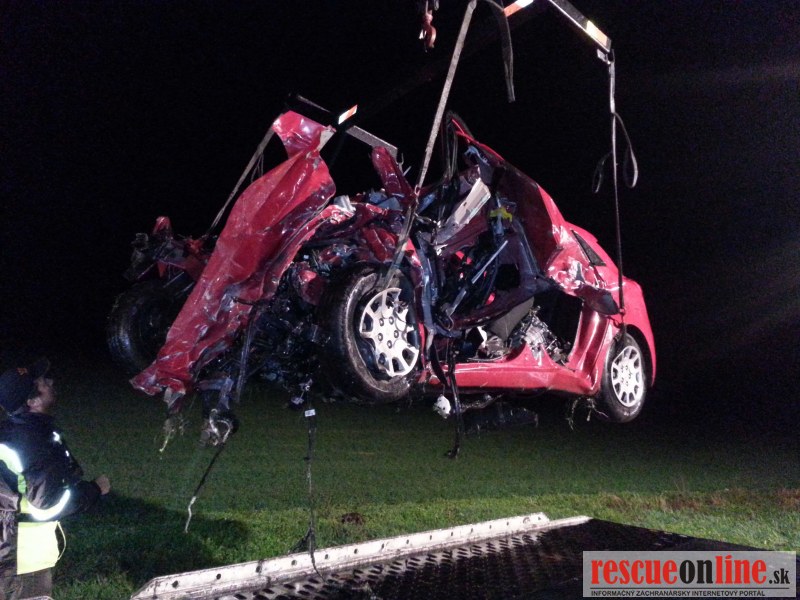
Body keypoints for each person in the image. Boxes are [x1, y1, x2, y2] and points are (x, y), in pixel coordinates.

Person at [0, 359, 110, 599]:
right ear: (32, 401)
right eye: (43, 382)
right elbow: (46, 507)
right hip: (22, 561)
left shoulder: (12, 432)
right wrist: (94, 490)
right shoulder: (33, 441)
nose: (50, 382)